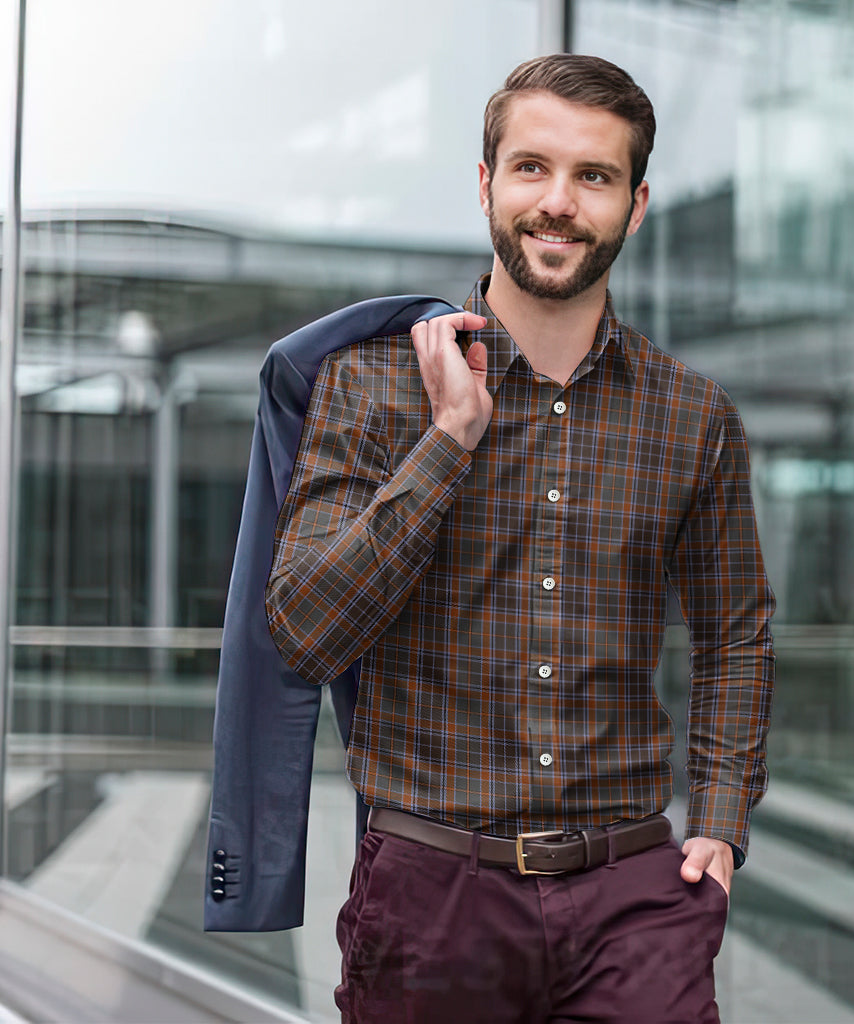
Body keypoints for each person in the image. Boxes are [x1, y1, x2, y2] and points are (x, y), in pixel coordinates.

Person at [265, 53, 775, 1024]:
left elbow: (735, 634)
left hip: (634, 900)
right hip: (432, 900)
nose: (559, 202)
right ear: (486, 182)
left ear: (636, 205)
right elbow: (303, 631)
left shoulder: (693, 417)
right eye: (532, 167)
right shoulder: (370, 387)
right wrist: (449, 439)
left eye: (595, 176)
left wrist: (718, 820)